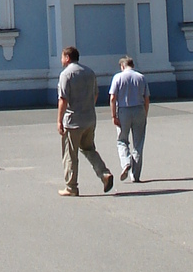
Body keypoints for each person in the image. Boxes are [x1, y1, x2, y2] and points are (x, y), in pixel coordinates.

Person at [56, 45, 114, 197]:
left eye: (62, 57)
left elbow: (63, 99)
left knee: (70, 154)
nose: (61, 60)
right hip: (89, 119)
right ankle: (104, 173)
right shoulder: (89, 72)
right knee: (89, 149)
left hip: (73, 121)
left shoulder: (66, 75)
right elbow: (95, 94)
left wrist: (59, 120)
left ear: (67, 58)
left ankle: (71, 187)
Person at [109, 54, 151, 182]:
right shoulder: (141, 77)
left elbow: (112, 98)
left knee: (122, 140)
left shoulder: (118, 77)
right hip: (139, 109)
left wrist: (113, 115)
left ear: (122, 66)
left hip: (123, 111)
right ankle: (135, 175)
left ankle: (126, 162)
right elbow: (147, 98)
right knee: (138, 143)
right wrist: (145, 113)